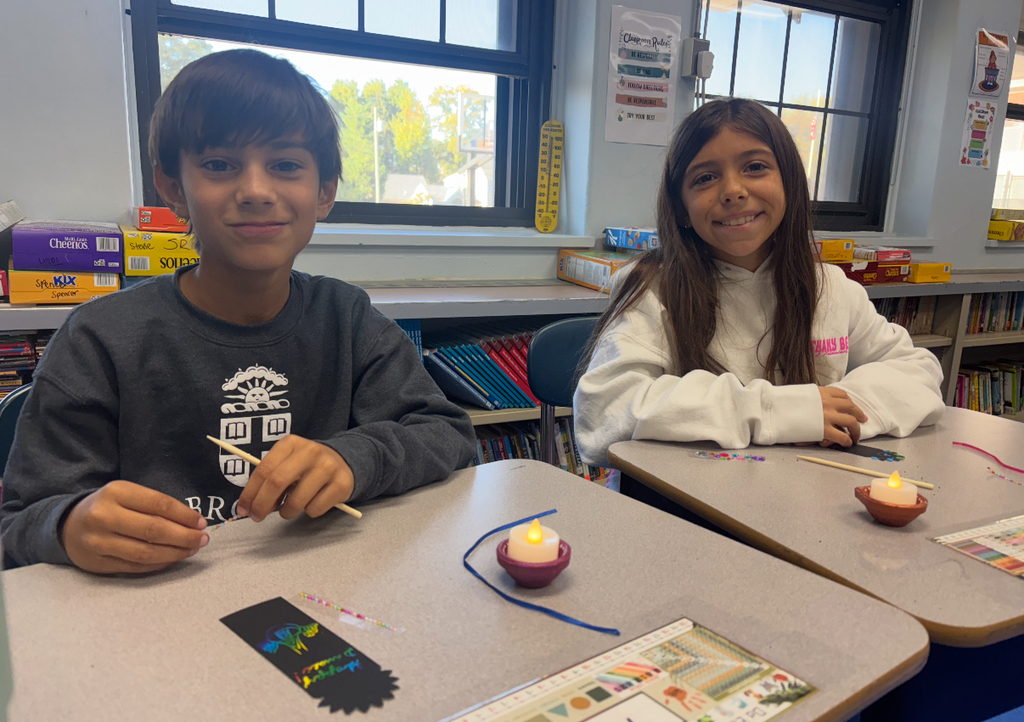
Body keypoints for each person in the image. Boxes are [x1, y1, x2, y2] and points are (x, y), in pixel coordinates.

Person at [0, 49, 476, 572]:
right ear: (173, 189)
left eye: (286, 165)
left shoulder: (349, 319)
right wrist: (68, 525)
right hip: (146, 616)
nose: (255, 191)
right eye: (219, 165)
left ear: (324, 192)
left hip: (322, 590)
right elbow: (19, 521)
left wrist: (354, 457)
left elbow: (447, 433)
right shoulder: (99, 338)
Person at [574, 98, 944, 467]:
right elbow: (604, 416)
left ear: (789, 183)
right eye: (705, 177)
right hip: (684, 503)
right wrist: (778, 411)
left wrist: (840, 409)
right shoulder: (651, 289)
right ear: (681, 209)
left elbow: (918, 370)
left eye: (755, 167)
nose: (733, 190)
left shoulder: (829, 287)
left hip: (802, 495)